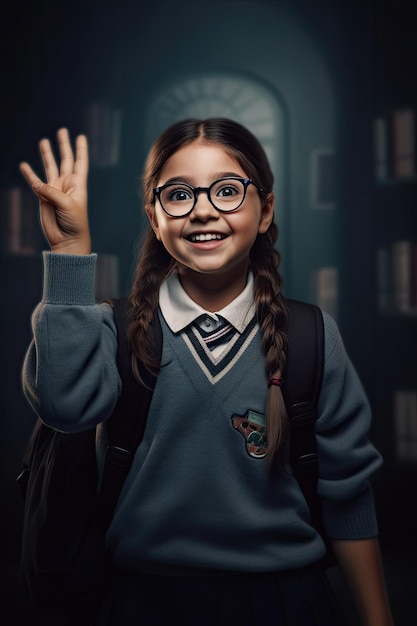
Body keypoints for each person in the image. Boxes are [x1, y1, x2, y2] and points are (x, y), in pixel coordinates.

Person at [19, 119, 393, 625]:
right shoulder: (114, 328)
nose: (202, 210)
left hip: (287, 601)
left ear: (266, 211)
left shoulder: (311, 337)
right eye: (178, 194)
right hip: (141, 601)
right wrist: (68, 254)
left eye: (227, 191)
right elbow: (63, 407)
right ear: (154, 217)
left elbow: (347, 492)